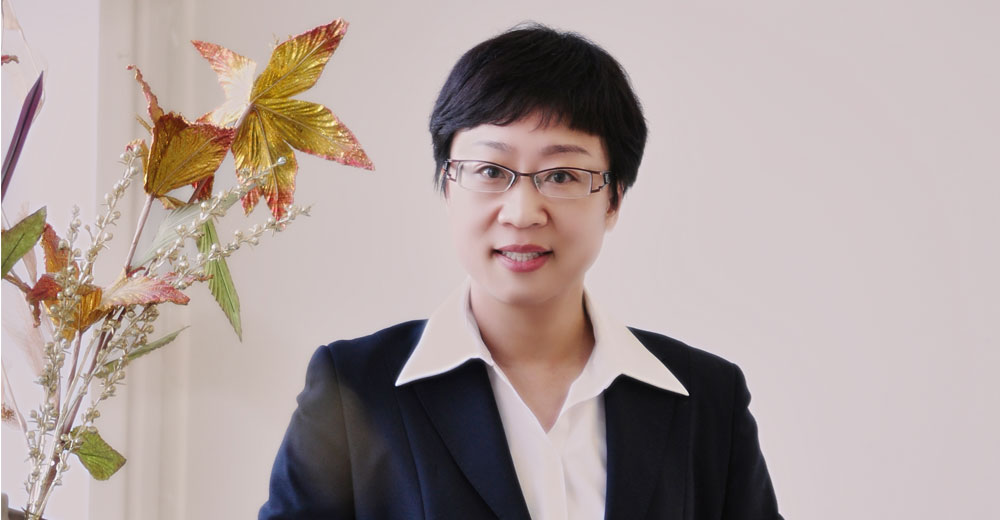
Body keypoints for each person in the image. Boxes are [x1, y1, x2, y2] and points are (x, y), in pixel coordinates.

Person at [260, 23, 782, 520]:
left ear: (615, 200)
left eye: (562, 175)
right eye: (490, 171)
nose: (522, 212)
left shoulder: (708, 399)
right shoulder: (353, 390)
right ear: (447, 186)